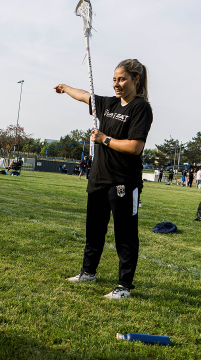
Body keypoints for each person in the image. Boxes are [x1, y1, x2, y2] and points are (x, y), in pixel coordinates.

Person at [56, 59, 153, 299]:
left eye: (122, 79)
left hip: (124, 181)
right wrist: (65, 88)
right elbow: (84, 95)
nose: (116, 84)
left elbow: (135, 147)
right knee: (94, 230)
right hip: (98, 178)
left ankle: (124, 286)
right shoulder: (108, 104)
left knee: (125, 235)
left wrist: (104, 139)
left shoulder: (140, 108)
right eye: (114, 79)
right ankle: (88, 272)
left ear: (135, 80)